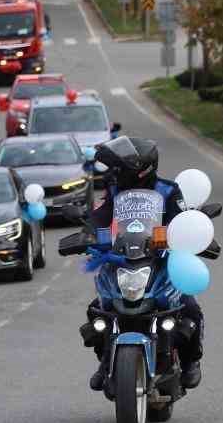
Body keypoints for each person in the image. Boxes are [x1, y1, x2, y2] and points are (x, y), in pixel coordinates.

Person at [82, 136, 206, 392]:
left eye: (119, 167)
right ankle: (106, 362)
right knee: (98, 309)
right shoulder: (115, 191)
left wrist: (192, 235)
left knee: (189, 308)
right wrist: (88, 230)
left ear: (138, 170)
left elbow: (183, 220)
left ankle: (191, 361)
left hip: (161, 262)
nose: (115, 172)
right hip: (124, 260)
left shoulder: (169, 191)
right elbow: (100, 216)